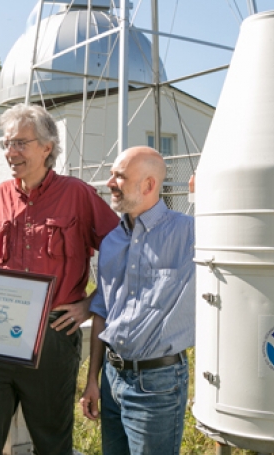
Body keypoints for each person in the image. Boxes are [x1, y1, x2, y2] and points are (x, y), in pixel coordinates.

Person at [0, 103, 119, 454]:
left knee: (51, 443)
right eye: (6, 144)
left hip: (53, 335)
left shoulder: (77, 195)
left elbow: (122, 253)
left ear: (47, 147)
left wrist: (89, 304)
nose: (10, 153)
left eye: (20, 143)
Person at [80, 146, 195, 455]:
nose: (110, 183)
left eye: (119, 176)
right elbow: (103, 313)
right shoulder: (112, 241)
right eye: (111, 174)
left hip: (157, 384)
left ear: (148, 185)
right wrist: (93, 378)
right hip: (111, 378)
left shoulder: (190, 234)